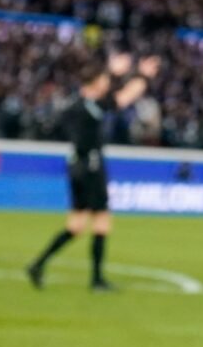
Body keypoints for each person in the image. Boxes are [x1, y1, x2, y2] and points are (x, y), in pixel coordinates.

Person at [26, 53, 160, 291]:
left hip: (76, 166)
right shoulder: (91, 107)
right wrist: (141, 75)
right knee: (102, 221)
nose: (107, 84)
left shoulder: (76, 103)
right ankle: (97, 279)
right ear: (96, 82)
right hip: (91, 168)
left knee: (76, 225)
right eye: (104, 80)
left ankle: (38, 264)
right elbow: (123, 98)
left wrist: (120, 73)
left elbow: (113, 97)